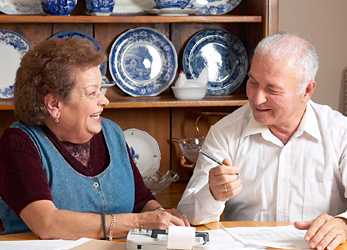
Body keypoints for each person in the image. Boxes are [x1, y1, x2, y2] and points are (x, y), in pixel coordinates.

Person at [0, 38, 189, 239]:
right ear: (54, 104)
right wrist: (139, 222)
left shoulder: (111, 132)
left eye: (101, 90)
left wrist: (160, 215)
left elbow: (141, 201)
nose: (104, 100)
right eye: (92, 93)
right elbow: (47, 223)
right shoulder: (18, 144)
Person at [178, 32, 347, 250]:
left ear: (307, 90)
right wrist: (212, 193)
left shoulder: (340, 131)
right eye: (253, 82)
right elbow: (185, 216)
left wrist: (343, 223)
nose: (257, 99)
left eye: (272, 90)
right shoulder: (224, 132)